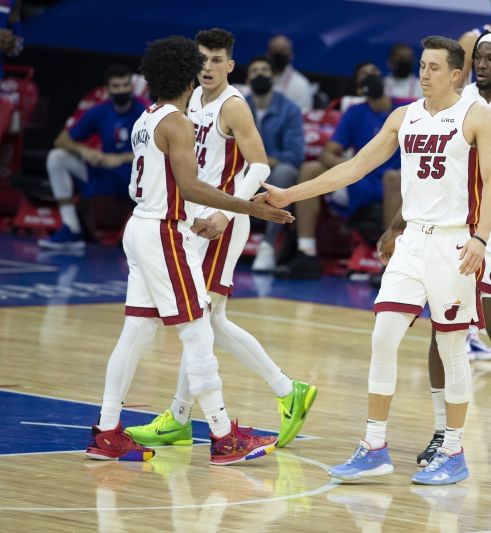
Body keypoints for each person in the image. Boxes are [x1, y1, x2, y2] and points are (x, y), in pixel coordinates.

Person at [263, 35, 491, 485]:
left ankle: (454, 450)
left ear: (455, 74)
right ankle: (374, 445)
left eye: (433, 68)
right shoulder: (403, 116)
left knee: (452, 350)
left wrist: (482, 239)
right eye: (422, 66)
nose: (424, 74)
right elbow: (354, 167)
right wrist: (289, 193)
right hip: (412, 242)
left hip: (454, 244)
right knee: (382, 337)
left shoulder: (475, 116)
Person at [85, 35, 294, 465]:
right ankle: (223, 436)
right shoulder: (177, 122)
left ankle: (108, 430)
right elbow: (192, 187)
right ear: (186, 74)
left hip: (139, 226)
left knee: (136, 332)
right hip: (164, 231)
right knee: (199, 330)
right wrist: (247, 208)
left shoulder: (146, 117)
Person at [379, 31, 491, 466]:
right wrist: (397, 224)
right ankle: (443, 430)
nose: (481, 63)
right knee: (446, 327)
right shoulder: (457, 101)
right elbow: (431, 173)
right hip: (455, 223)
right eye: (478, 56)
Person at [277, 62, 403, 279]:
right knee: (309, 169)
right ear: (358, 87)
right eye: (364, 75)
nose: (370, 77)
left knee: (393, 178)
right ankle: (306, 252)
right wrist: (355, 167)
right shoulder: (355, 113)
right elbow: (328, 153)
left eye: (373, 73)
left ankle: (391, 263)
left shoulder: (404, 109)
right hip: (361, 180)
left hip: (397, 183)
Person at [38, 64, 148, 250]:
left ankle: (145, 238)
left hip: (136, 175)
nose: (121, 90)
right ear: (108, 89)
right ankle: (71, 229)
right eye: (116, 86)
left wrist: (121, 158)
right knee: (57, 157)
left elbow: (158, 148)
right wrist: (84, 151)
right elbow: (61, 140)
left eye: (125, 85)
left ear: (131, 87)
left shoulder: (145, 110)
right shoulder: (100, 110)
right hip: (104, 172)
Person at [244, 56, 305, 272]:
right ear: (248, 78)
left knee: (285, 173)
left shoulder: (289, 109)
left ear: (273, 77)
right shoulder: (238, 107)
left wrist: (262, 162)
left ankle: (268, 246)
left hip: (272, 175)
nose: (260, 74)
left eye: (264, 70)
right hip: (243, 171)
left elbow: (295, 154)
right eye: (254, 70)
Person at [266, 35, 313, 113]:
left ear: (291, 55)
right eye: (274, 51)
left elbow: (302, 116)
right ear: (268, 54)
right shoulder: (258, 80)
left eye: (282, 51)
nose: (278, 56)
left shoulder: (301, 85)